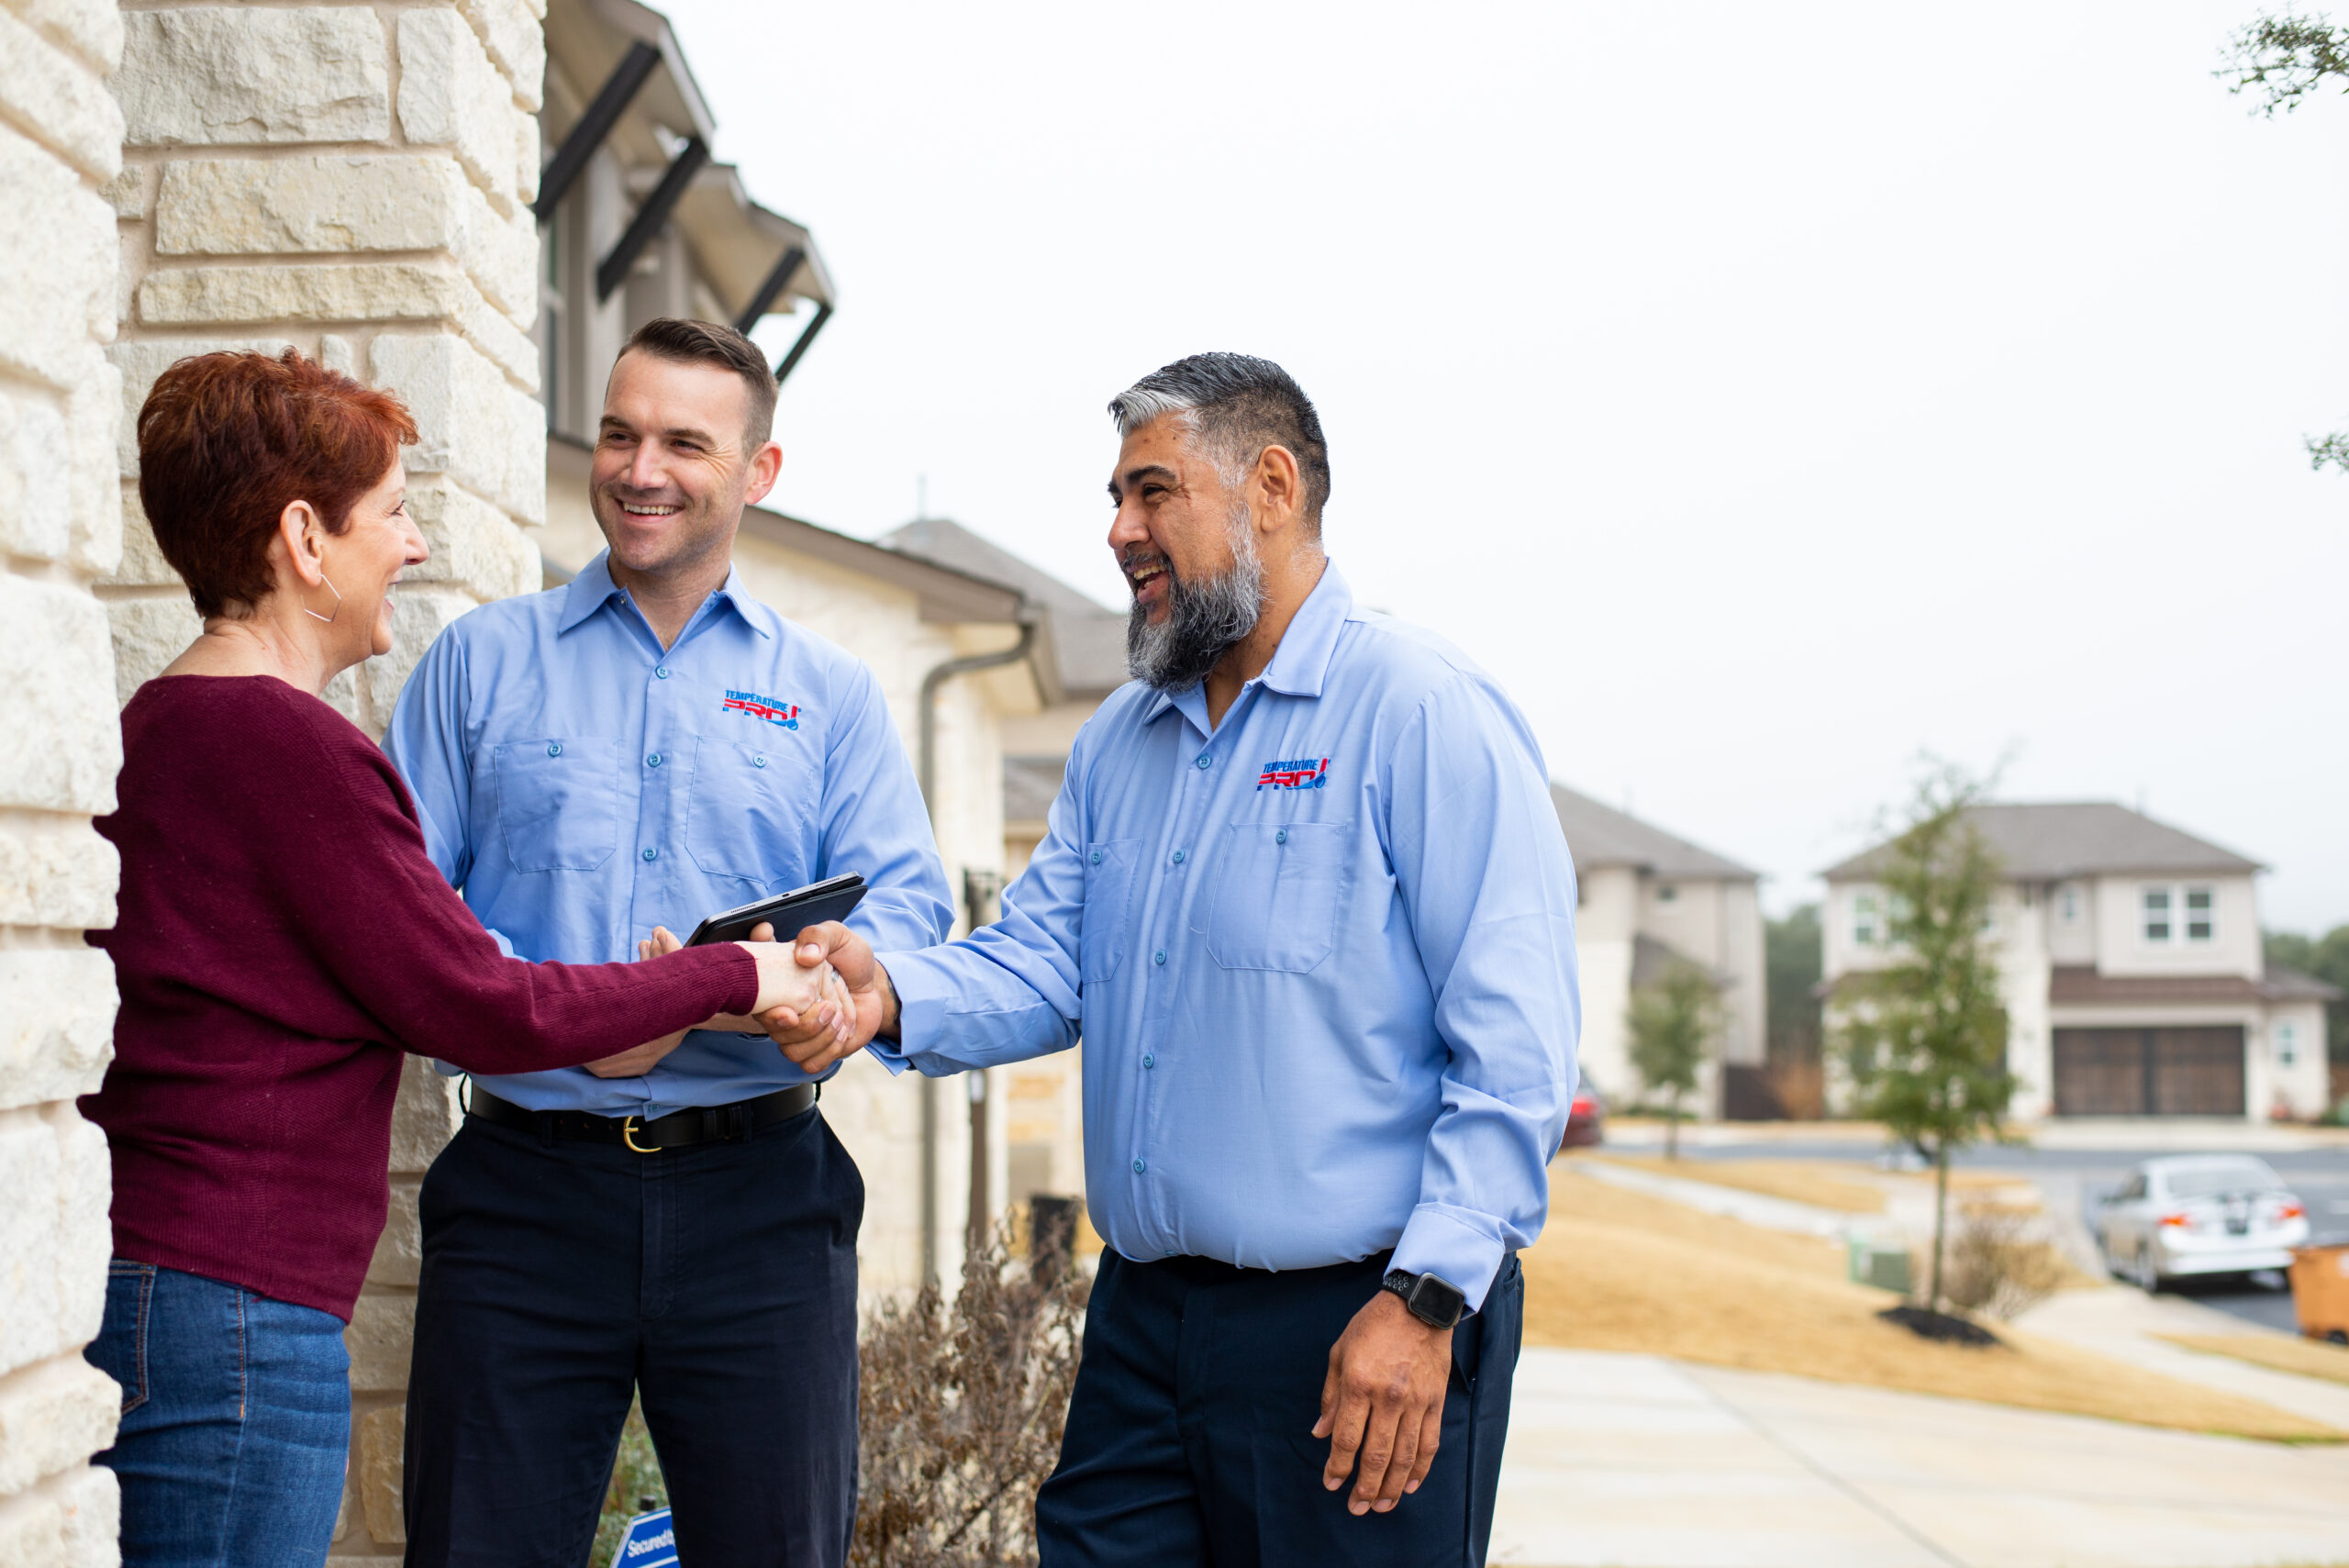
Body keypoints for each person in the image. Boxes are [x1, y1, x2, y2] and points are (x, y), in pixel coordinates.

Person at [798, 352, 1580, 1565]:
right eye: (1115, 498)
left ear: (1271, 484)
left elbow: (1518, 1046)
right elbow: (1049, 957)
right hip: (1145, 1325)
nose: (1120, 530)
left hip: (1355, 1322)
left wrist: (1426, 1304)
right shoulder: (1125, 738)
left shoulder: (1419, 711)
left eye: (1152, 491)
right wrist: (886, 989)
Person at [78, 349, 847, 1568]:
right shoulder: (289, 750)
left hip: (191, 1279)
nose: (416, 544)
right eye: (390, 511)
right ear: (304, 539)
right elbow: (475, 996)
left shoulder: (167, 723)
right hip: (232, 1301)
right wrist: (735, 975)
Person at [383, 317, 955, 1567]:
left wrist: (821, 995)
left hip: (761, 1200)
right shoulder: (480, 665)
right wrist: (586, 1011)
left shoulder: (832, 695)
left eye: (685, 442)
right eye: (620, 433)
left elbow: (906, 923)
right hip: (525, 1195)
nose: (641, 467)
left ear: (759, 472)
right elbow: (400, 921)